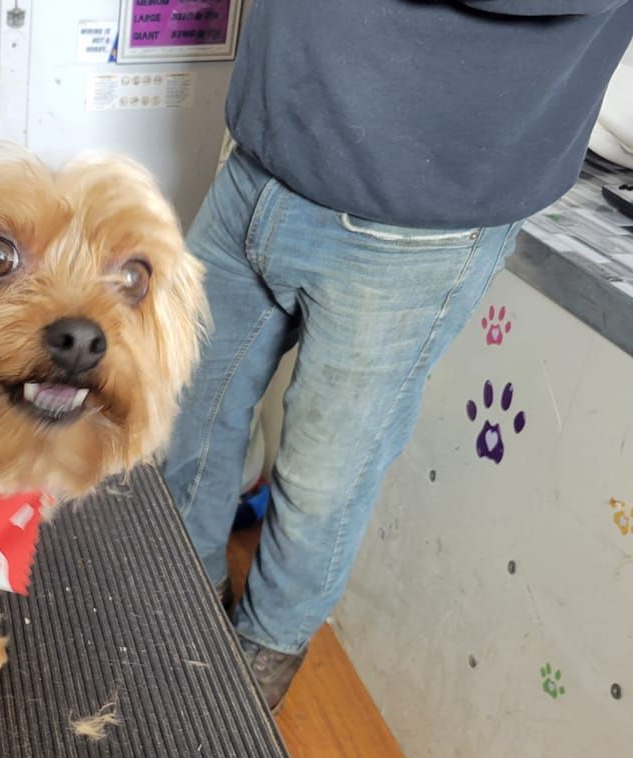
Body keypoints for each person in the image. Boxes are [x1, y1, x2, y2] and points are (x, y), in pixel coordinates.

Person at [162, 0, 633, 711]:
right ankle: (175, 614)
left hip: (415, 225)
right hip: (260, 155)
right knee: (181, 406)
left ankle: (244, 699)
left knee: (322, 485)